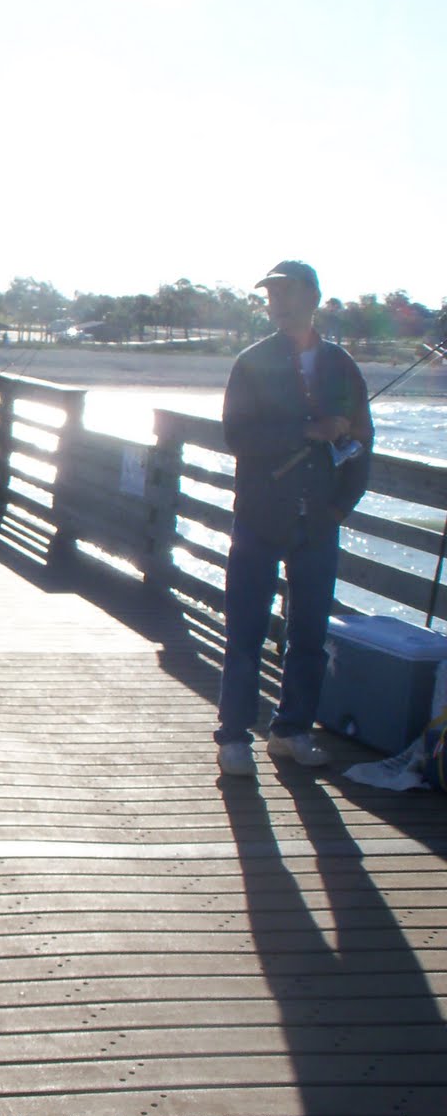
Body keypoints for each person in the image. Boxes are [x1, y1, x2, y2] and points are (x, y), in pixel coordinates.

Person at [215, 260, 373, 778]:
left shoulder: (341, 366)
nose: (277, 303)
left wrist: (339, 508)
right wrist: (306, 432)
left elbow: (362, 442)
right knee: (245, 631)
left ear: (313, 298)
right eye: (271, 295)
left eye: (286, 293)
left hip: (318, 523)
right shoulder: (252, 362)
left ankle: (291, 730)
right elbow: (237, 436)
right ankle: (234, 736)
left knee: (308, 634)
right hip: (259, 517)